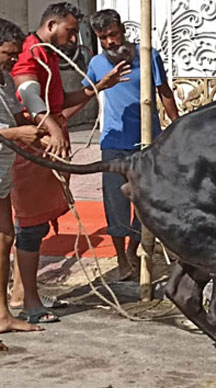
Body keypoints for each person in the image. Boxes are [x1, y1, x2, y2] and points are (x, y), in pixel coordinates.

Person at [8, 2, 129, 324]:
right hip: (29, 149)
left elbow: (58, 101)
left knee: (35, 224)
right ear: (51, 25)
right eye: (71, 30)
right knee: (27, 228)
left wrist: (98, 88)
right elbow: (30, 93)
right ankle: (29, 303)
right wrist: (50, 127)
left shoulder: (49, 56)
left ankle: (23, 291)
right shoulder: (29, 52)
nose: (75, 38)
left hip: (45, 150)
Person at [86, 9, 178, 279]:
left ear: (123, 31)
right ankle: (121, 260)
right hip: (113, 141)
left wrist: (177, 123)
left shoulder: (148, 56)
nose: (109, 42)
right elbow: (85, 91)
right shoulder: (96, 63)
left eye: (113, 35)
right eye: (103, 38)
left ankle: (133, 250)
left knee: (145, 198)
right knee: (115, 201)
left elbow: (164, 91)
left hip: (147, 141)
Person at [0, 18, 47, 335]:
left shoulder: (4, 81)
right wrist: (19, 132)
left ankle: (2, 315)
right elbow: (12, 128)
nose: (14, 60)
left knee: (5, 238)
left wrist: (38, 133)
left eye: (17, 54)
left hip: (2, 172)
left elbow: (13, 118)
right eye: (8, 53)